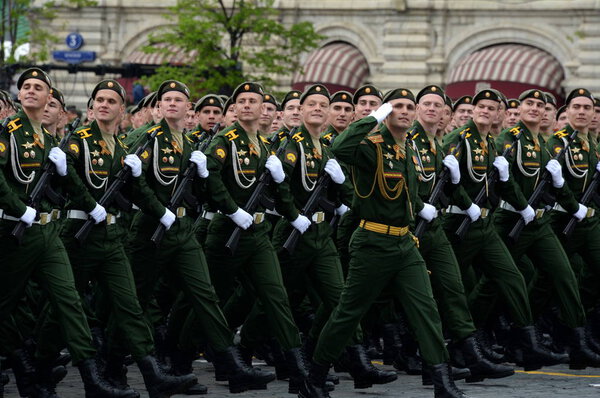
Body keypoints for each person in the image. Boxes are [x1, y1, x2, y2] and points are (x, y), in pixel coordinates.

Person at [301, 89, 468, 398]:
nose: (403, 111)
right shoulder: (371, 147)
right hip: (372, 242)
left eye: (408, 107)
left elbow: (409, 195)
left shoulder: (410, 149)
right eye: (397, 107)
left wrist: (421, 208)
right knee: (348, 313)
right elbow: (339, 146)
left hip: (405, 243)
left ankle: (443, 383)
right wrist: (373, 117)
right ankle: (314, 378)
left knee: (426, 310)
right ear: (388, 112)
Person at [127, 79, 275, 394]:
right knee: (134, 300)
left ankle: (230, 364)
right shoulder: (146, 138)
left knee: (205, 295)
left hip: (182, 230)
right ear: (158, 105)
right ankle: (113, 365)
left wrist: (204, 176)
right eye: (166, 99)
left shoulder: (192, 145)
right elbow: (133, 184)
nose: (171, 104)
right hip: (150, 228)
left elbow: (203, 193)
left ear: (186, 108)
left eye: (178, 99)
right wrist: (157, 209)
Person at [0, 67, 139, 398]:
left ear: (51, 98)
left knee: (70, 301)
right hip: (12, 231)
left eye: (39, 87)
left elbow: (66, 187)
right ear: (20, 96)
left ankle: (92, 379)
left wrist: (87, 196)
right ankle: (23, 367)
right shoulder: (7, 133)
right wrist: (21, 210)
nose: (32, 91)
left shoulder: (49, 140)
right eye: (26, 87)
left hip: (48, 234)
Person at [62, 79, 199, 396]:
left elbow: (136, 191)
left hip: (112, 235)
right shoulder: (77, 142)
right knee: (64, 307)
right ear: (92, 106)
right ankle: (37, 369)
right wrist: (89, 204)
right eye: (100, 100)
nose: (105, 105)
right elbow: (68, 182)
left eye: (112, 101)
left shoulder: (124, 149)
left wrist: (160, 209)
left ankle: (151, 375)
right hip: (79, 235)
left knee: (129, 305)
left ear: (122, 109)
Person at [442, 89, 567, 371]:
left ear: (499, 113)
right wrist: (466, 204)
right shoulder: (459, 139)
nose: (485, 111)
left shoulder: (490, 143)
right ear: (473, 110)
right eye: (480, 106)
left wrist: (523, 205)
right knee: (450, 288)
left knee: (511, 278)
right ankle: (456, 346)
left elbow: (500, 183)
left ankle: (527, 341)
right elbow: (446, 181)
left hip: (484, 223)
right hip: (457, 223)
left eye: (491, 108)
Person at [204, 82, 308, 393]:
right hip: (227, 230)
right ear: (234, 108)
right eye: (242, 101)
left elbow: (277, 191)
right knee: (209, 299)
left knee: (276, 296)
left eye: (254, 101)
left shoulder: (264, 145)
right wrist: (232, 209)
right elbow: (210, 176)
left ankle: (298, 368)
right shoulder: (226, 140)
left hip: (259, 232)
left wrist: (293, 214)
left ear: (264, 108)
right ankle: (182, 356)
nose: (248, 105)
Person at [410, 85, 514, 382]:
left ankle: (459, 357)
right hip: (409, 230)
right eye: (425, 104)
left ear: (445, 111)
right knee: (378, 301)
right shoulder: (411, 141)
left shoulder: (436, 143)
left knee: (451, 292)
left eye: (437, 105)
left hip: (436, 229)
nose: (431, 109)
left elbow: (448, 185)